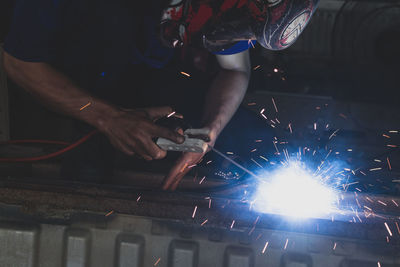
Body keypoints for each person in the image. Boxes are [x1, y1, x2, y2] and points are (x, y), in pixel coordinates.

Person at [1, 0, 319, 190]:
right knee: (87, 173)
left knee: (250, 136)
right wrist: (109, 119)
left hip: (142, 76)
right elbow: (19, 64)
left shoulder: (229, 8)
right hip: (66, 83)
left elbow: (234, 70)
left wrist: (210, 128)